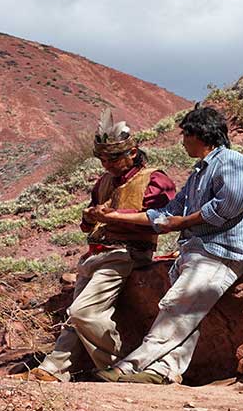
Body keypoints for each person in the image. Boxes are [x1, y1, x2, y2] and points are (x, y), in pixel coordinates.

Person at [88, 104, 243, 385]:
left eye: (185, 134)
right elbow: (167, 213)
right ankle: (162, 371)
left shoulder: (232, 161)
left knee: (178, 306)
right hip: (198, 251)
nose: (182, 141)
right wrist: (111, 215)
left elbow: (228, 206)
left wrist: (182, 223)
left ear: (199, 134)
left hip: (223, 251)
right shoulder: (199, 173)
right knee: (188, 314)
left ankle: (130, 365)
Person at [16, 109, 176, 382]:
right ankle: (55, 369)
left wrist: (114, 217)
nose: (107, 164)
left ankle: (115, 365)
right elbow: (89, 221)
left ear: (133, 152)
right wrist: (90, 218)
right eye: (102, 158)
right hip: (96, 253)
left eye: (113, 157)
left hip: (126, 253)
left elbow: (163, 219)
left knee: (83, 312)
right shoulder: (103, 182)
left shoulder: (153, 179)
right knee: (73, 316)